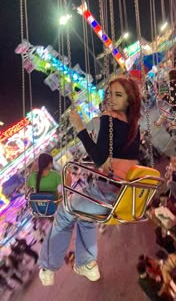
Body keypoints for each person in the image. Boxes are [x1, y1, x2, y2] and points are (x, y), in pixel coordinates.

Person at [38, 77, 142, 286]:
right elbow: (110, 159)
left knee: (64, 213)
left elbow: (100, 159)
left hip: (106, 195)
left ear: (129, 100)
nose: (111, 99)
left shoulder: (110, 118)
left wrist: (79, 128)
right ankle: (87, 264)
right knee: (84, 217)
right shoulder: (133, 126)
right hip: (123, 195)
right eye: (109, 94)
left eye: (118, 95)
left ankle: (48, 267)